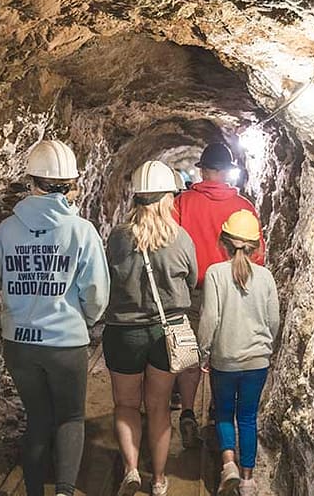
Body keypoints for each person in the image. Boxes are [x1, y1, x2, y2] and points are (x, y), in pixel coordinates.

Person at [0, 140, 110, 496]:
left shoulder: (8, 229)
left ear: (31, 181)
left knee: (37, 418)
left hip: (19, 343)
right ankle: (63, 492)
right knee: (70, 418)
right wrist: (85, 319)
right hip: (65, 344)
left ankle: (34, 491)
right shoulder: (81, 231)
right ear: (70, 184)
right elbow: (97, 293)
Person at [103, 161, 197, 496]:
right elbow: (191, 278)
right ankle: (158, 480)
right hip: (164, 333)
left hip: (123, 332)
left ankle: (130, 470)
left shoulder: (117, 238)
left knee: (126, 405)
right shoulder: (180, 238)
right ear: (167, 198)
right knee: (158, 407)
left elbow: (108, 281)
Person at [173, 142, 265, 448]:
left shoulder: (182, 203)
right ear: (227, 171)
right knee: (221, 357)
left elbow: (170, 248)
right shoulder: (244, 207)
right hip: (232, 291)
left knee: (189, 354)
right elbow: (258, 256)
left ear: (202, 170)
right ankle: (215, 415)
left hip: (191, 291)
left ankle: (187, 413)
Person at [198, 210, 279, 496]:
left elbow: (210, 319)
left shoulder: (216, 274)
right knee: (247, 417)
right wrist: (266, 347)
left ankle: (228, 464)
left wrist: (203, 351)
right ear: (256, 246)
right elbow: (273, 321)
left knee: (223, 414)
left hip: (225, 359)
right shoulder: (266, 277)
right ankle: (247, 480)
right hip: (257, 361)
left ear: (224, 242)